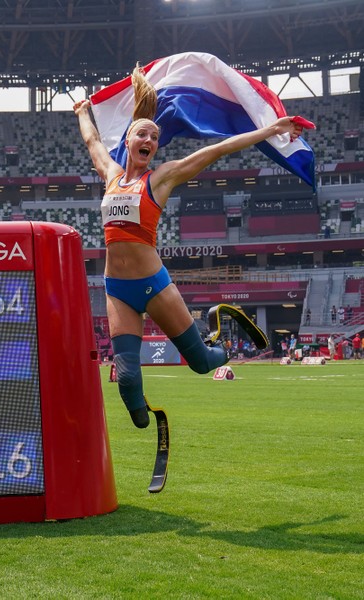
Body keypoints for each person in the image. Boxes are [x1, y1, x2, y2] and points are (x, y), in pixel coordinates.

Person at [74, 65, 306, 428]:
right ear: (129, 141)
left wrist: (270, 130)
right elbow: (91, 142)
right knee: (129, 382)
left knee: (200, 362)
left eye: (154, 136)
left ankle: (222, 347)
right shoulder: (111, 175)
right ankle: (145, 424)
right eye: (142, 134)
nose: (149, 140)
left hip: (154, 285)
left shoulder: (162, 178)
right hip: (116, 290)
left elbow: (217, 149)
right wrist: (82, 112)